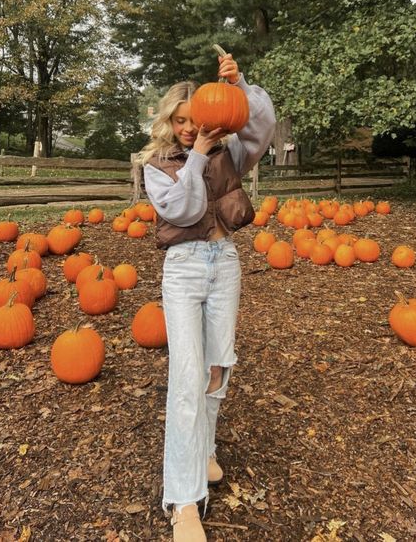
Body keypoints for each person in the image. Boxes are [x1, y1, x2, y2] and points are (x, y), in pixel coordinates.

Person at [142, 50, 276, 541]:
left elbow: (260, 130)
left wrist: (239, 85)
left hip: (226, 264)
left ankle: (205, 449)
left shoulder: (231, 151)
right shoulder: (156, 166)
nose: (187, 128)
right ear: (169, 121)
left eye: (194, 120)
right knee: (186, 376)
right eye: (179, 121)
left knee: (219, 366)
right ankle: (182, 500)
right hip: (183, 271)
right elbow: (183, 210)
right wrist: (197, 152)